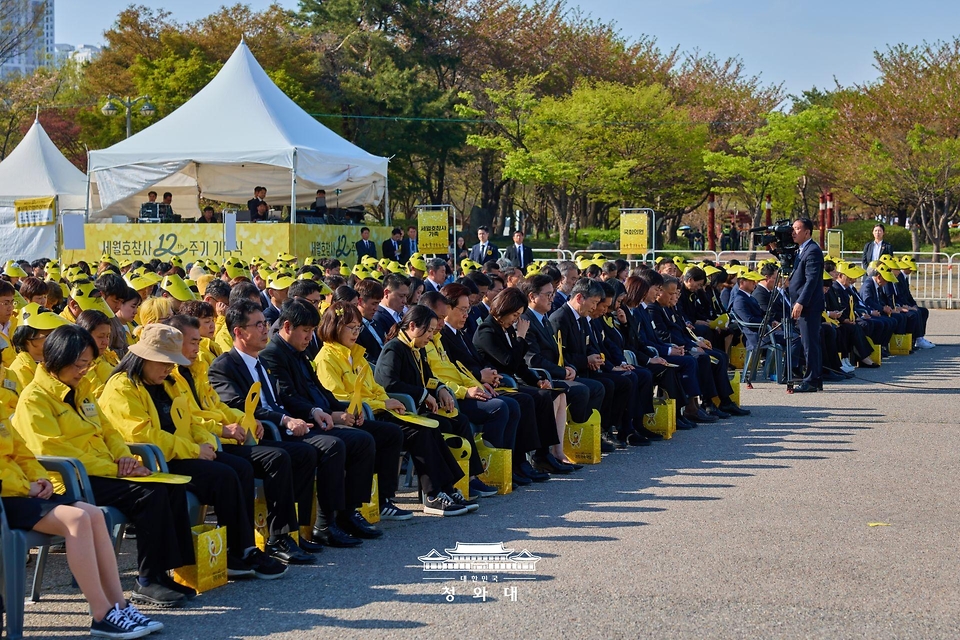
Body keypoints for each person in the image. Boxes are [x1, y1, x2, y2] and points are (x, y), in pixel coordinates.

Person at [15, 324, 196, 610]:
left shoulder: (82, 390)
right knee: (148, 495)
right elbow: (55, 451)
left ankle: (165, 572)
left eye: (87, 365)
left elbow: (110, 431)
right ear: (56, 361)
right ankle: (147, 580)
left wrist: (124, 457)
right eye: (79, 365)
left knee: (169, 486)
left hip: (102, 470)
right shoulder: (34, 398)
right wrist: (116, 469)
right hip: (69, 480)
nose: (84, 371)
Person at [99, 323, 288, 580]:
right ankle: (236, 551)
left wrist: (205, 442)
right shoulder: (122, 387)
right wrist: (193, 449)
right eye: (164, 363)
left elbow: (189, 421)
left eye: (171, 363)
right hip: (153, 460)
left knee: (241, 467)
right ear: (144, 358)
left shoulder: (167, 383)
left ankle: (242, 548)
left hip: (180, 452)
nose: (168, 368)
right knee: (223, 475)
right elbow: (142, 435)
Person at [1, 409, 164, 637]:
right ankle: (101, 614)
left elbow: (22, 454)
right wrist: (25, 487)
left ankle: (119, 605)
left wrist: (40, 478)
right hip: (7, 497)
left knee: (94, 514)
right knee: (76, 519)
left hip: (24, 491)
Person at [258, 299, 392, 544]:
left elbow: (320, 390)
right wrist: (322, 413)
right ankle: (325, 523)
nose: (310, 337)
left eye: (312, 331)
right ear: (287, 327)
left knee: (367, 438)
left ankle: (349, 512)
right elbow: (288, 397)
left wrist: (343, 409)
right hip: (300, 423)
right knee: (336, 445)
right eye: (305, 331)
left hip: (319, 416)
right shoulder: (273, 355)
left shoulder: (299, 353)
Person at [373, 305, 476, 516]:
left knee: (453, 422)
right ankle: (433, 495)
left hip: (412, 412)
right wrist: (422, 394)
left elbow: (428, 377)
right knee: (426, 431)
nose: (431, 335)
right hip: (392, 412)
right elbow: (389, 383)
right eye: (428, 330)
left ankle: (449, 487)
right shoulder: (395, 348)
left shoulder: (417, 349)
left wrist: (440, 389)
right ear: (412, 326)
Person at [473, 287, 574, 475]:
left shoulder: (507, 329)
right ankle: (520, 459)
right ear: (503, 309)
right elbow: (509, 362)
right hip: (498, 384)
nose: (515, 319)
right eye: (514, 315)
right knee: (528, 400)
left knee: (549, 394)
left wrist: (537, 381)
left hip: (511, 381)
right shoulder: (487, 330)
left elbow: (520, 366)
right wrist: (520, 337)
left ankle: (545, 454)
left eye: (518, 315)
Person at [789, 218, 825, 392]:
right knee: (809, 342)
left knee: (809, 343)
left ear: (807, 232)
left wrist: (800, 302)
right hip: (805, 304)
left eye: (797, 229)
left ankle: (811, 380)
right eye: (793, 229)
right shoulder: (802, 249)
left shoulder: (812, 251)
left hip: (809, 305)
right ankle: (815, 378)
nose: (793, 232)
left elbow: (811, 281)